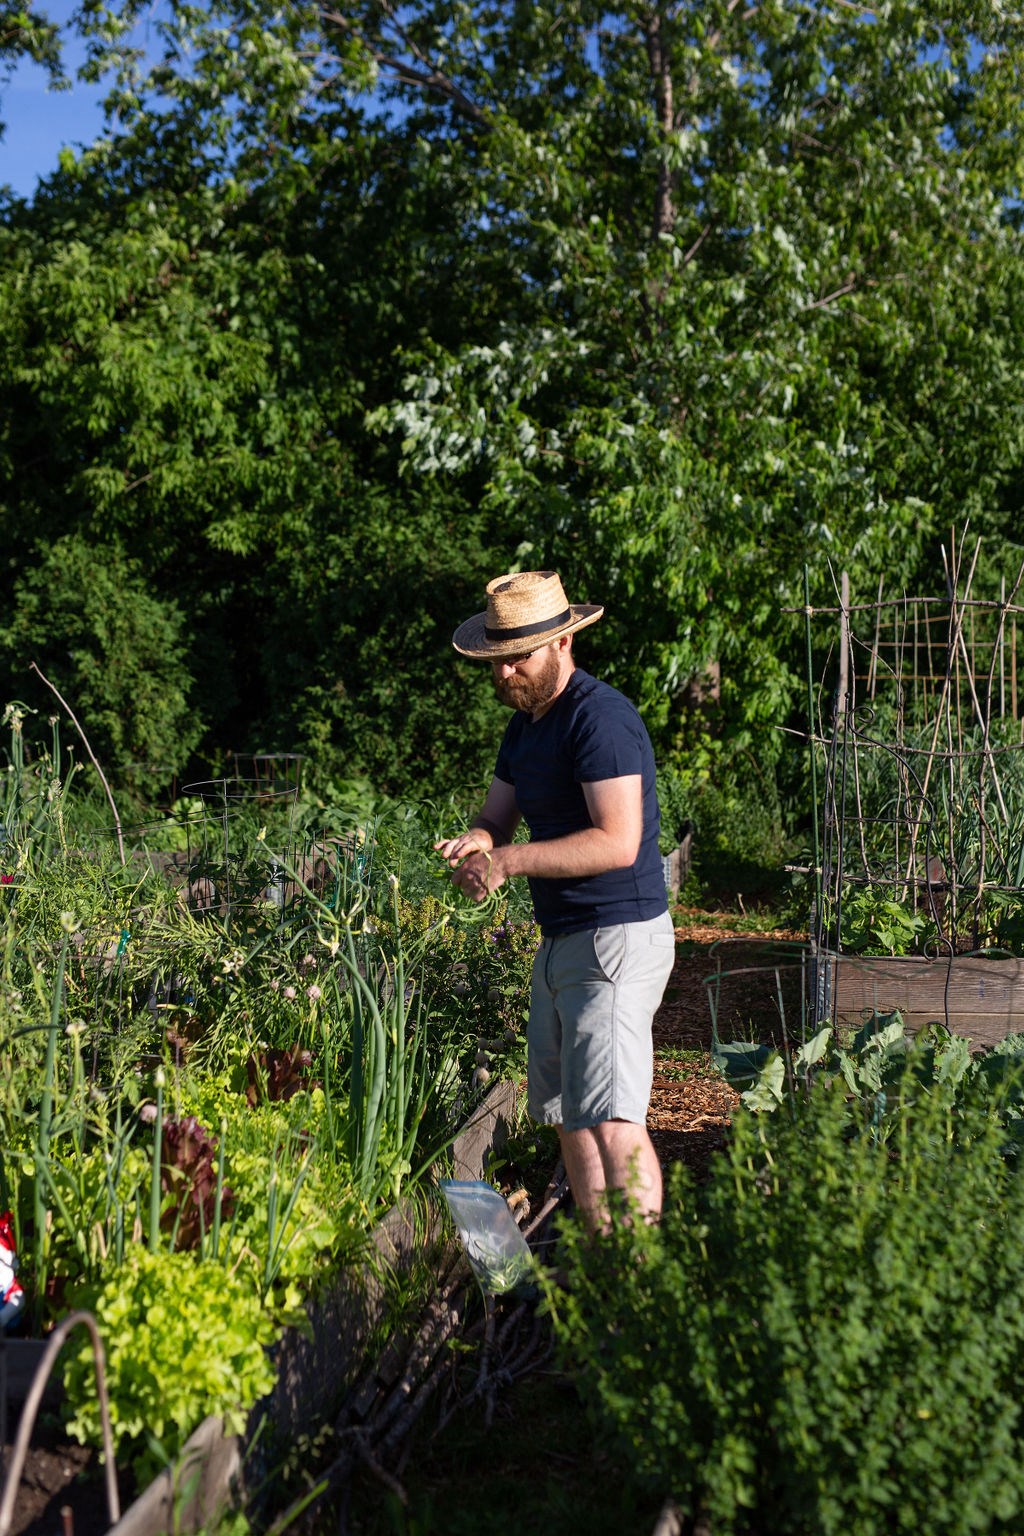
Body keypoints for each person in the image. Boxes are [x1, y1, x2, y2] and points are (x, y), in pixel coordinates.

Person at [435, 569, 676, 1228]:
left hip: (616, 940)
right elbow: (497, 817)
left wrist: (508, 862)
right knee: (572, 1116)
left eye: (520, 656)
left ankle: (641, 1275)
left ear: (563, 644)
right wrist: (479, 844)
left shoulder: (600, 719)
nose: (507, 670)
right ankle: (607, 1263)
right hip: (565, 940)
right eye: (498, 658)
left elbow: (618, 842)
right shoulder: (525, 729)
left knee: (613, 1120)